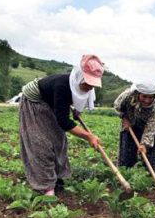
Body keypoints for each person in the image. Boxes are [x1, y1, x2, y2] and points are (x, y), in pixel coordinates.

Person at [19, 54, 104, 196]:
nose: (90, 87)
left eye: (92, 84)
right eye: (87, 83)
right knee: (41, 143)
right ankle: (46, 186)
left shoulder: (87, 86)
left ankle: (58, 178)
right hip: (34, 102)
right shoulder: (62, 86)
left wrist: (78, 111)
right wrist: (88, 136)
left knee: (59, 141)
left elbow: (79, 99)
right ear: (79, 77)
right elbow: (63, 121)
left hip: (50, 101)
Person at [114, 82, 155, 178]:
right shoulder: (127, 96)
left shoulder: (154, 108)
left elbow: (151, 128)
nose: (147, 100)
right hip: (129, 123)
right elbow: (117, 106)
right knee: (127, 148)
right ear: (138, 94)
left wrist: (144, 144)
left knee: (151, 150)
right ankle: (124, 172)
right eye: (144, 96)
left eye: (151, 97)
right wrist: (124, 117)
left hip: (146, 127)